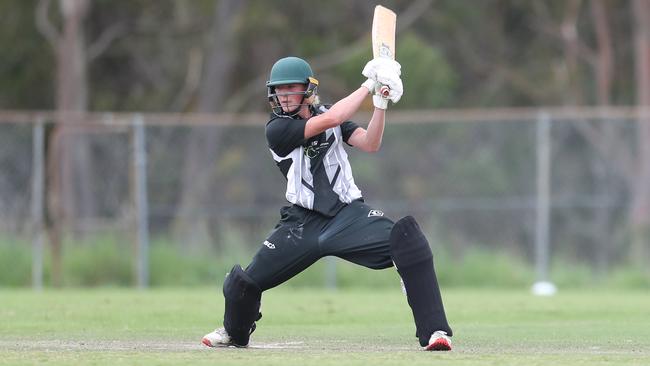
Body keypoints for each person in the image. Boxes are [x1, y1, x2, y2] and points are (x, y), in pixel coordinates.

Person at [201, 56, 453, 351]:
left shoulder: (332, 112)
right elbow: (331, 120)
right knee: (241, 285)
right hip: (301, 224)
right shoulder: (277, 129)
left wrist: (380, 103)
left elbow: (370, 143)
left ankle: (436, 332)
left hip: (348, 215)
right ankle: (234, 333)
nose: (283, 97)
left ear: (308, 89)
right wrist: (370, 83)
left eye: (290, 89)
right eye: (278, 91)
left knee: (409, 240)